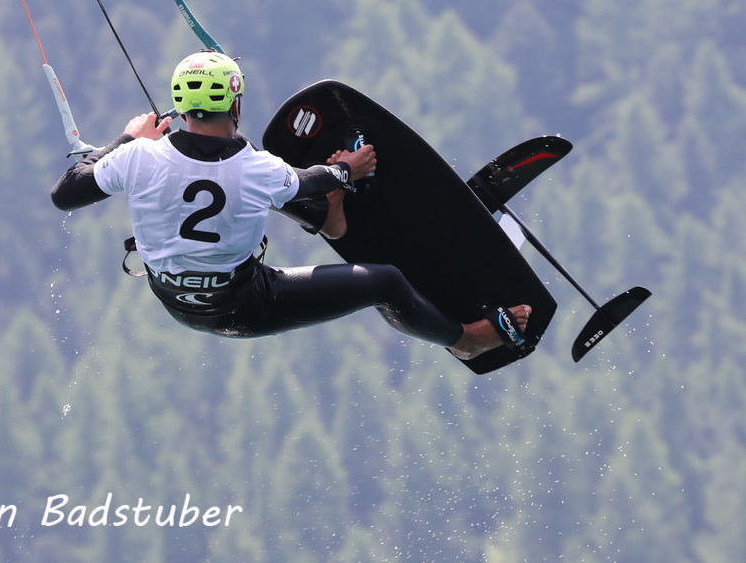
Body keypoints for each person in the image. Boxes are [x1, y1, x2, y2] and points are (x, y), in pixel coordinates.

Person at [51, 51, 528, 359]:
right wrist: (350, 169)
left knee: (269, 191)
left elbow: (65, 193)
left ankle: (332, 219)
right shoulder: (256, 168)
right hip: (248, 305)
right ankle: (469, 339)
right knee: (384, 281)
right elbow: (310, 180)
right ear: (234, 106)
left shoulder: (138, 157)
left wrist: (126, 137)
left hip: (178, 303)